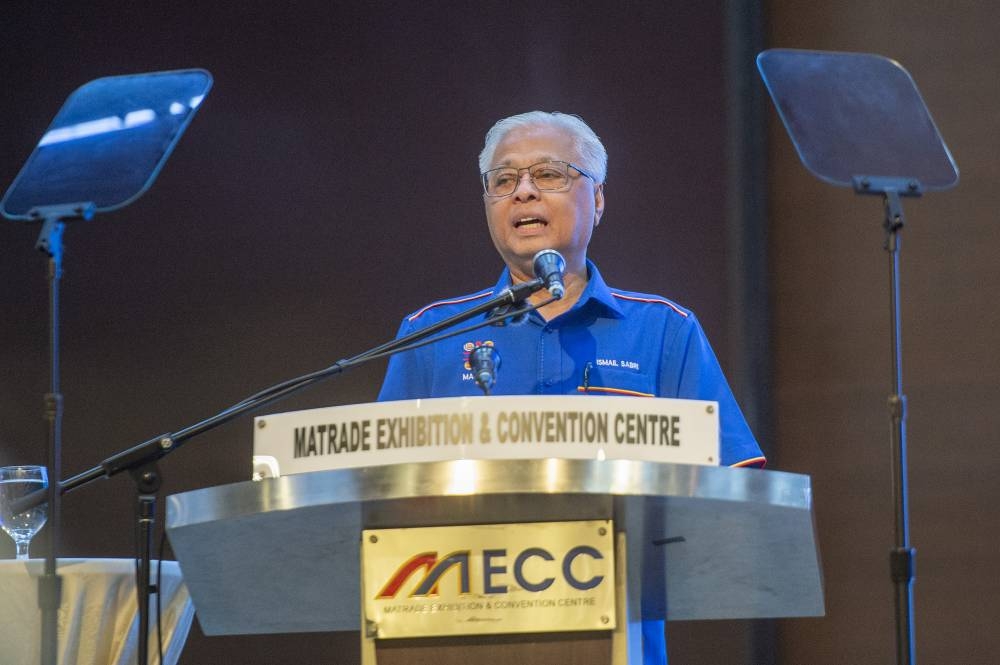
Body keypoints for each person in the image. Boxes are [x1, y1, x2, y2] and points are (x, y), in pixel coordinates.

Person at [377, 111, 765, 663]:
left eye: (550, 174)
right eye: (504, 181)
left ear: (598, 198)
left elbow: (731, 501)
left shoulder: (664, 331)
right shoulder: (430, 336)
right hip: (455, 635)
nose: (525, 191)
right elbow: (378, 504)